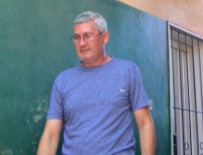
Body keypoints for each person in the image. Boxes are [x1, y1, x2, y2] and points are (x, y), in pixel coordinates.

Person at [37, 11, 156, 155]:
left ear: (104, 37)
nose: (81, 43)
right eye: (76, 37)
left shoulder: (127, 71)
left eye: (87, 36)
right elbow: (50, 137)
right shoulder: (63, 81)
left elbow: (144, 124)